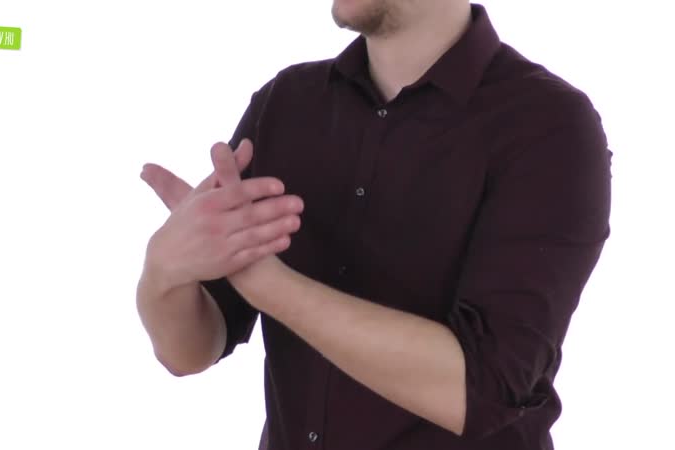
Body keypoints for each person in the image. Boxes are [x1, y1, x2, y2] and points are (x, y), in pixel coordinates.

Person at [136, 1, 612, 449]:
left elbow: (484, 388)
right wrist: (164, 273)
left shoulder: (549, 128)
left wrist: (267, 284)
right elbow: (193, 350)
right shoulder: (287, 102)